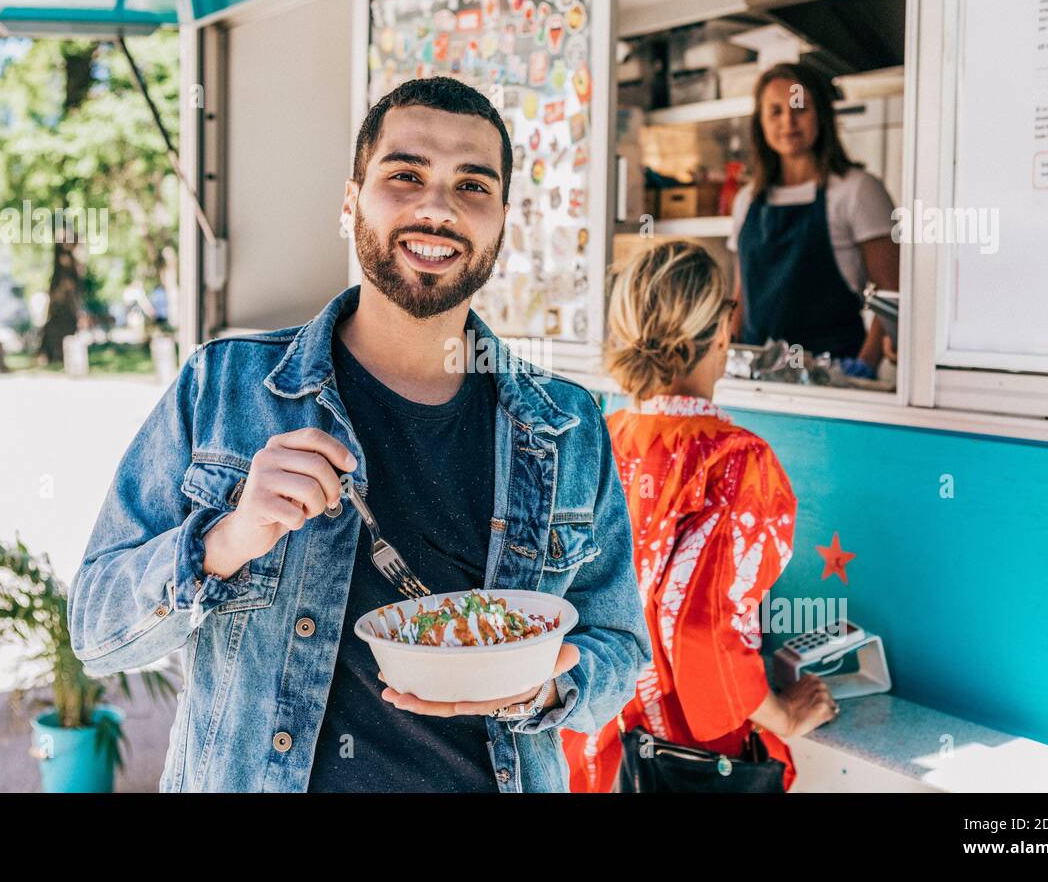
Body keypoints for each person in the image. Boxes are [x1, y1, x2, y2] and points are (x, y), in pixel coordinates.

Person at [68, 77, 650, 793]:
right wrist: (228, 538)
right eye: (405, 175)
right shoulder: (223, 388)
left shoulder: (567, 425)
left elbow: (617, 647)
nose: (437, 207)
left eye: (472, 185)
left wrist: (540, 688)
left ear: (503, 219)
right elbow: (96, 630)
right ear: (351, 203)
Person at [561, 241, 837, 793]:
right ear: (723, 331)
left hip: (590, 750)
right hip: (687, 762)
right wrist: (781, 715)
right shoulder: (737, 462)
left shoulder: (595, 439)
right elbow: (698, 625)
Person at [729, 62, 899, 378]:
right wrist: (728, 349)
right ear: (760, 122)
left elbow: (892, 289)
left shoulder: (858, 189)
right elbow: (742, 292)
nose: (788, 122)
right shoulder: (747, 200)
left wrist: (866, 363)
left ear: (822, 114)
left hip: (834, 375)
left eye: (800, 108)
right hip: (756, 376)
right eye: (775, 111)